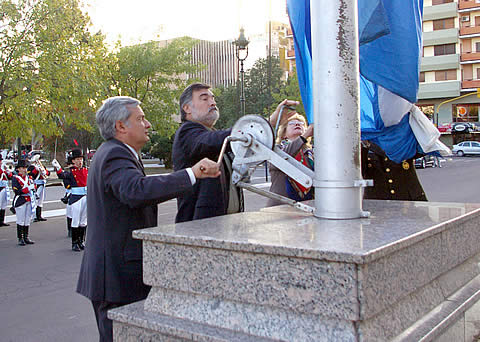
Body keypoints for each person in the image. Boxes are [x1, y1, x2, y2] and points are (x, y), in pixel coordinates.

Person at [76, 96, 221, 342]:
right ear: (121, 126)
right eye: (140, 118)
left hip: (114, 275)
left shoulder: (118, 152)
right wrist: (192, 173)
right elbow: (136, 190)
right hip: (115, 278)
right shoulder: (115, 154)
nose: (148, 124)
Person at [172, 82, 297, 223]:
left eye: (213, 98)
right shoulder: (187, 132)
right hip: (199, 226)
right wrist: (268, 123)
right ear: (187, 108)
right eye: (204, 98)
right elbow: (215, 140)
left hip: (224, 223)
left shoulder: (211, 134)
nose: (212, 102)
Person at [267, 113, 314, 207]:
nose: (297, 124)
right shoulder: (276, 149)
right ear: (284, 134)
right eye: (292, 123)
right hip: (281, 208)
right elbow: (283, 158)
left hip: (308, 207)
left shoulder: (311, 154)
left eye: (301, 123)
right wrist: (303, 137)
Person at [361, 141, 428, 201]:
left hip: (409, 198)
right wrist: (364, 145)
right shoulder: (365, 144)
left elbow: (424, 148)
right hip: (378, 200)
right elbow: (359, 171)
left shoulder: (402, 139)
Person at [52, 149, 88, 251]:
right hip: (76, 198)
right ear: (73, 161)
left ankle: (81, 241)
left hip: (85, 197)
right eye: (77, 159)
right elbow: (62, 175)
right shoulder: (71, 172)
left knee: (83, 221)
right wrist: (58, 167)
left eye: (80, 159)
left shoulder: (86, 170)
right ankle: (75, 242)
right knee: (76, 220)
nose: (79, 161)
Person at [11, 159, 36, 246]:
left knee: (27, 219)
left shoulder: (29, 178)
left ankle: (26, 237)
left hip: (29, 200)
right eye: (22, 168)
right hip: (20, 201)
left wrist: (33, 187)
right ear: (18, 169)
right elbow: (17, 191)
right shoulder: (15, 178)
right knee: (20, 220)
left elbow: (33, 188)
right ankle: (20, 238)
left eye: (25, 168)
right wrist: (27, 189)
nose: (25, 170)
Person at [27, 156, 50, 222]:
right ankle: (34, 216)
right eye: (37, 160)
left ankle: (39, 216)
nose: (38, 161)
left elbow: (48, 174)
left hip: (42, 183)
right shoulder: (31, 167)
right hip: (36, 184)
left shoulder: (42, 166)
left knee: (40, 201)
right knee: (35, 200)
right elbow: (30, 174)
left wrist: (44, 171)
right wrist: (35, 170)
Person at [0, 156, 13, 226]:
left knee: (3, 205)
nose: (1, 162)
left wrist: (7, 170)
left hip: (5, 187)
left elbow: (10, 176)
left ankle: (2, 221)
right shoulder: (1, 170)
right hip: (0, 187)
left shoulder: (3, 169)